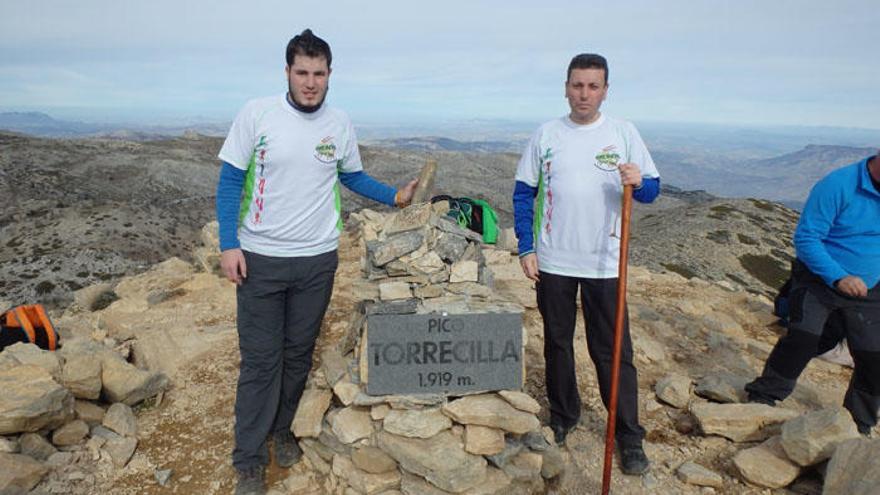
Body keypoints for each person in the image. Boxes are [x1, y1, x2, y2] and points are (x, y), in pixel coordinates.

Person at [215, 29, 418, 495]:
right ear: (287, 72)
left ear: (330, 75)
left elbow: (352, 176)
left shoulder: (339, 122)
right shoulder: (257, 114)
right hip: (261, 258)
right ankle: (248, 458)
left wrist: (394, 196)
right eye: (302, 72)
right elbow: (229, 183)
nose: (310, 82)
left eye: (319, 74)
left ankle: (283, 431)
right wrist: (230, 244)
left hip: (317, 261)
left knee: (297, 355)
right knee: (261, 362)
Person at [512, 53, 660, 475]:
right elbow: (524, 193)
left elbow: (651, 189)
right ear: (565, 87)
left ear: (605, 90)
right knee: (557, 342)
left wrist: (639, 182)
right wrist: (526, 247)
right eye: (577, 85)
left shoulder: (623, 133)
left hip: (605, 263)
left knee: (613, 351)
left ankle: (628, 435)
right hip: (554, 259)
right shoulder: (546, 134)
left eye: (593, 86)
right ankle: (563, 416)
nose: (584, 93)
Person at [746, 150, 880, 435]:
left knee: (873, 355)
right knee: (804, 339)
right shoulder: (839, 184)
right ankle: (763, 396)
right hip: (820, 278)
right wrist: (838, 276)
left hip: (871, 287)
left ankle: (859, 424)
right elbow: (806, 237)